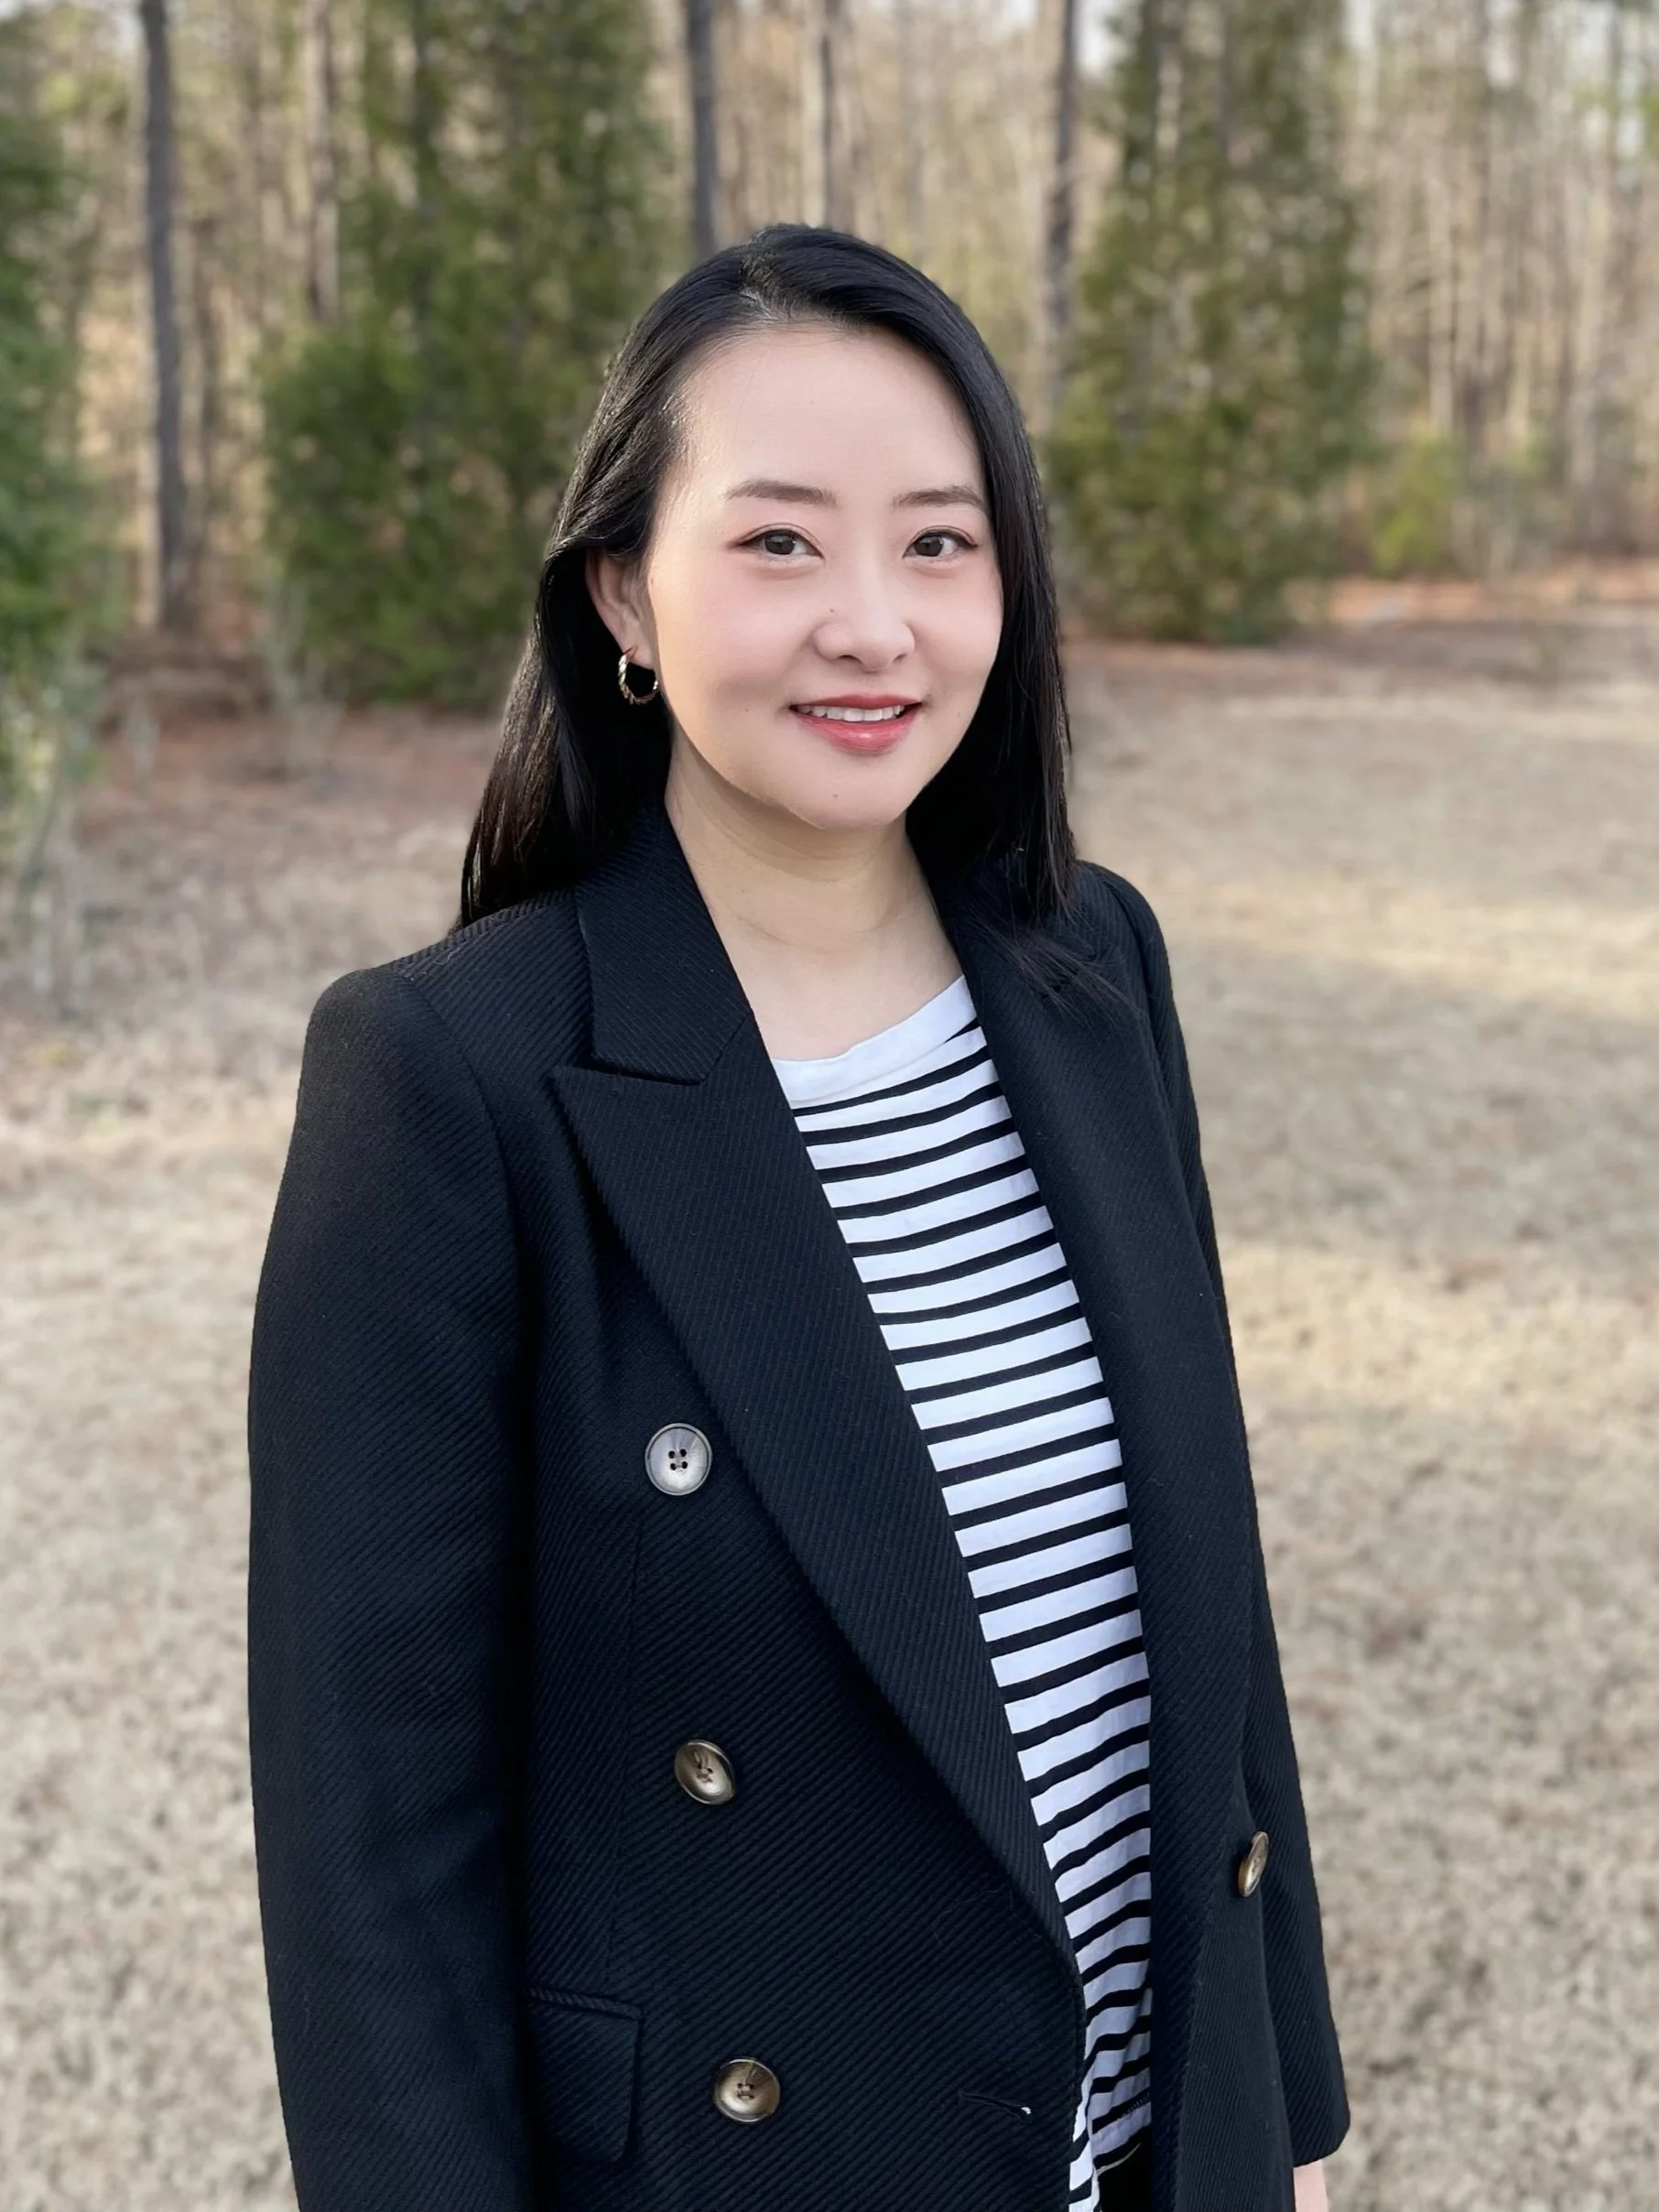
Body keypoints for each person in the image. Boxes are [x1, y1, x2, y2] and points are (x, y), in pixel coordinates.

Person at [247, 225, 1347, 2212]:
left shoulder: (1094, 967)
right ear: (622, 597)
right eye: (778, 544)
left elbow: (1208, 1599)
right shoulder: (453, 1078)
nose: (874, 624)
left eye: (941, 542)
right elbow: (369, 1843)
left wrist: (1286, 2107)